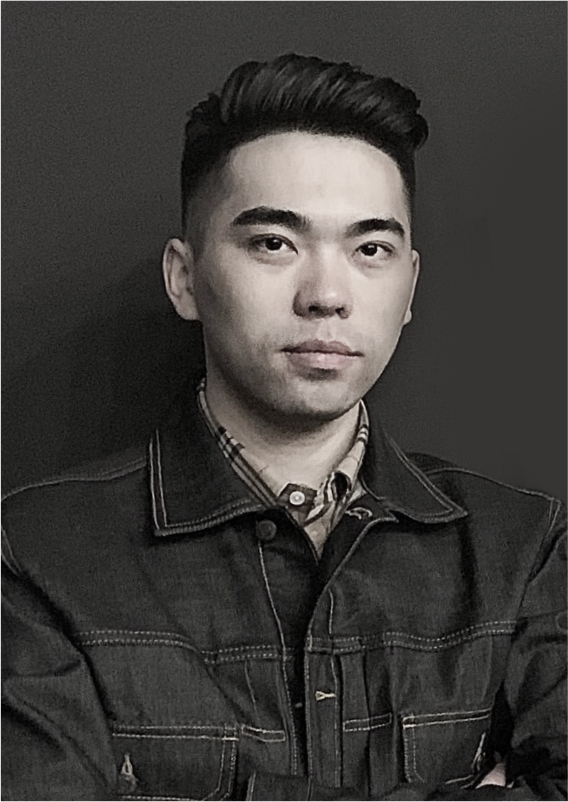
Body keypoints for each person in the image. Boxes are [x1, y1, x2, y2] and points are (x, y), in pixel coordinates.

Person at [1, 53, 567, 802]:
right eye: (274, 243)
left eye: (370, 249)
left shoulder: (522, 547)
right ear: (184, 278)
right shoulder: (38, 553)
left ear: (409, 288)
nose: (327, 294)